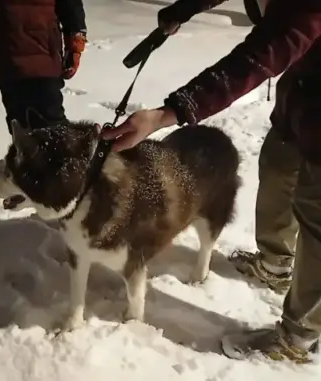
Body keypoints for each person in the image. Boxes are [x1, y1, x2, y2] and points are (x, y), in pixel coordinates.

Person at [102, 0, 321, 363]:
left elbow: (258, 57)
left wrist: (166, 114)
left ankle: (299, 337)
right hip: (306, 92)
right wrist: (183, 9)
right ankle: (275, 263)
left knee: (317, 214)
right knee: (279, 164)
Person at [0, 0, 87, 132]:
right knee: (45, 127)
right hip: (24, 57)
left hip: (19, 57)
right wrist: (75, 46)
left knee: (30, 128)